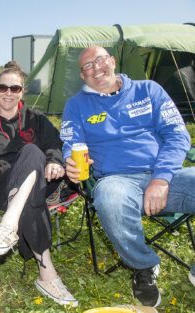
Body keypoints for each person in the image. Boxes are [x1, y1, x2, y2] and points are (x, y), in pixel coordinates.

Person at [61, 45, 195, 308]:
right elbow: (71, 142)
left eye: (99, 60)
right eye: (87, 66)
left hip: (165, 175)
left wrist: (161, 178)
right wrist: (71, 162)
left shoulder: (149, 90)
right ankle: (143, 266)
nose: (95, 68)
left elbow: (178, 135)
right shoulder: (76, 105)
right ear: (82, 75)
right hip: (118, 181)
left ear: (112, 61)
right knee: (110, 197)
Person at [0, 61, 78, 307]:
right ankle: (46, 273)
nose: (8, 93)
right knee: (30, 165)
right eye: (3, 87)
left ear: (22, 91)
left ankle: (8, 226)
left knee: (33, 153)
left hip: (40, 180)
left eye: (14, 88)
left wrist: (54, 162)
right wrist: (7, 167)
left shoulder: (36, 119)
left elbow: (54, 146)